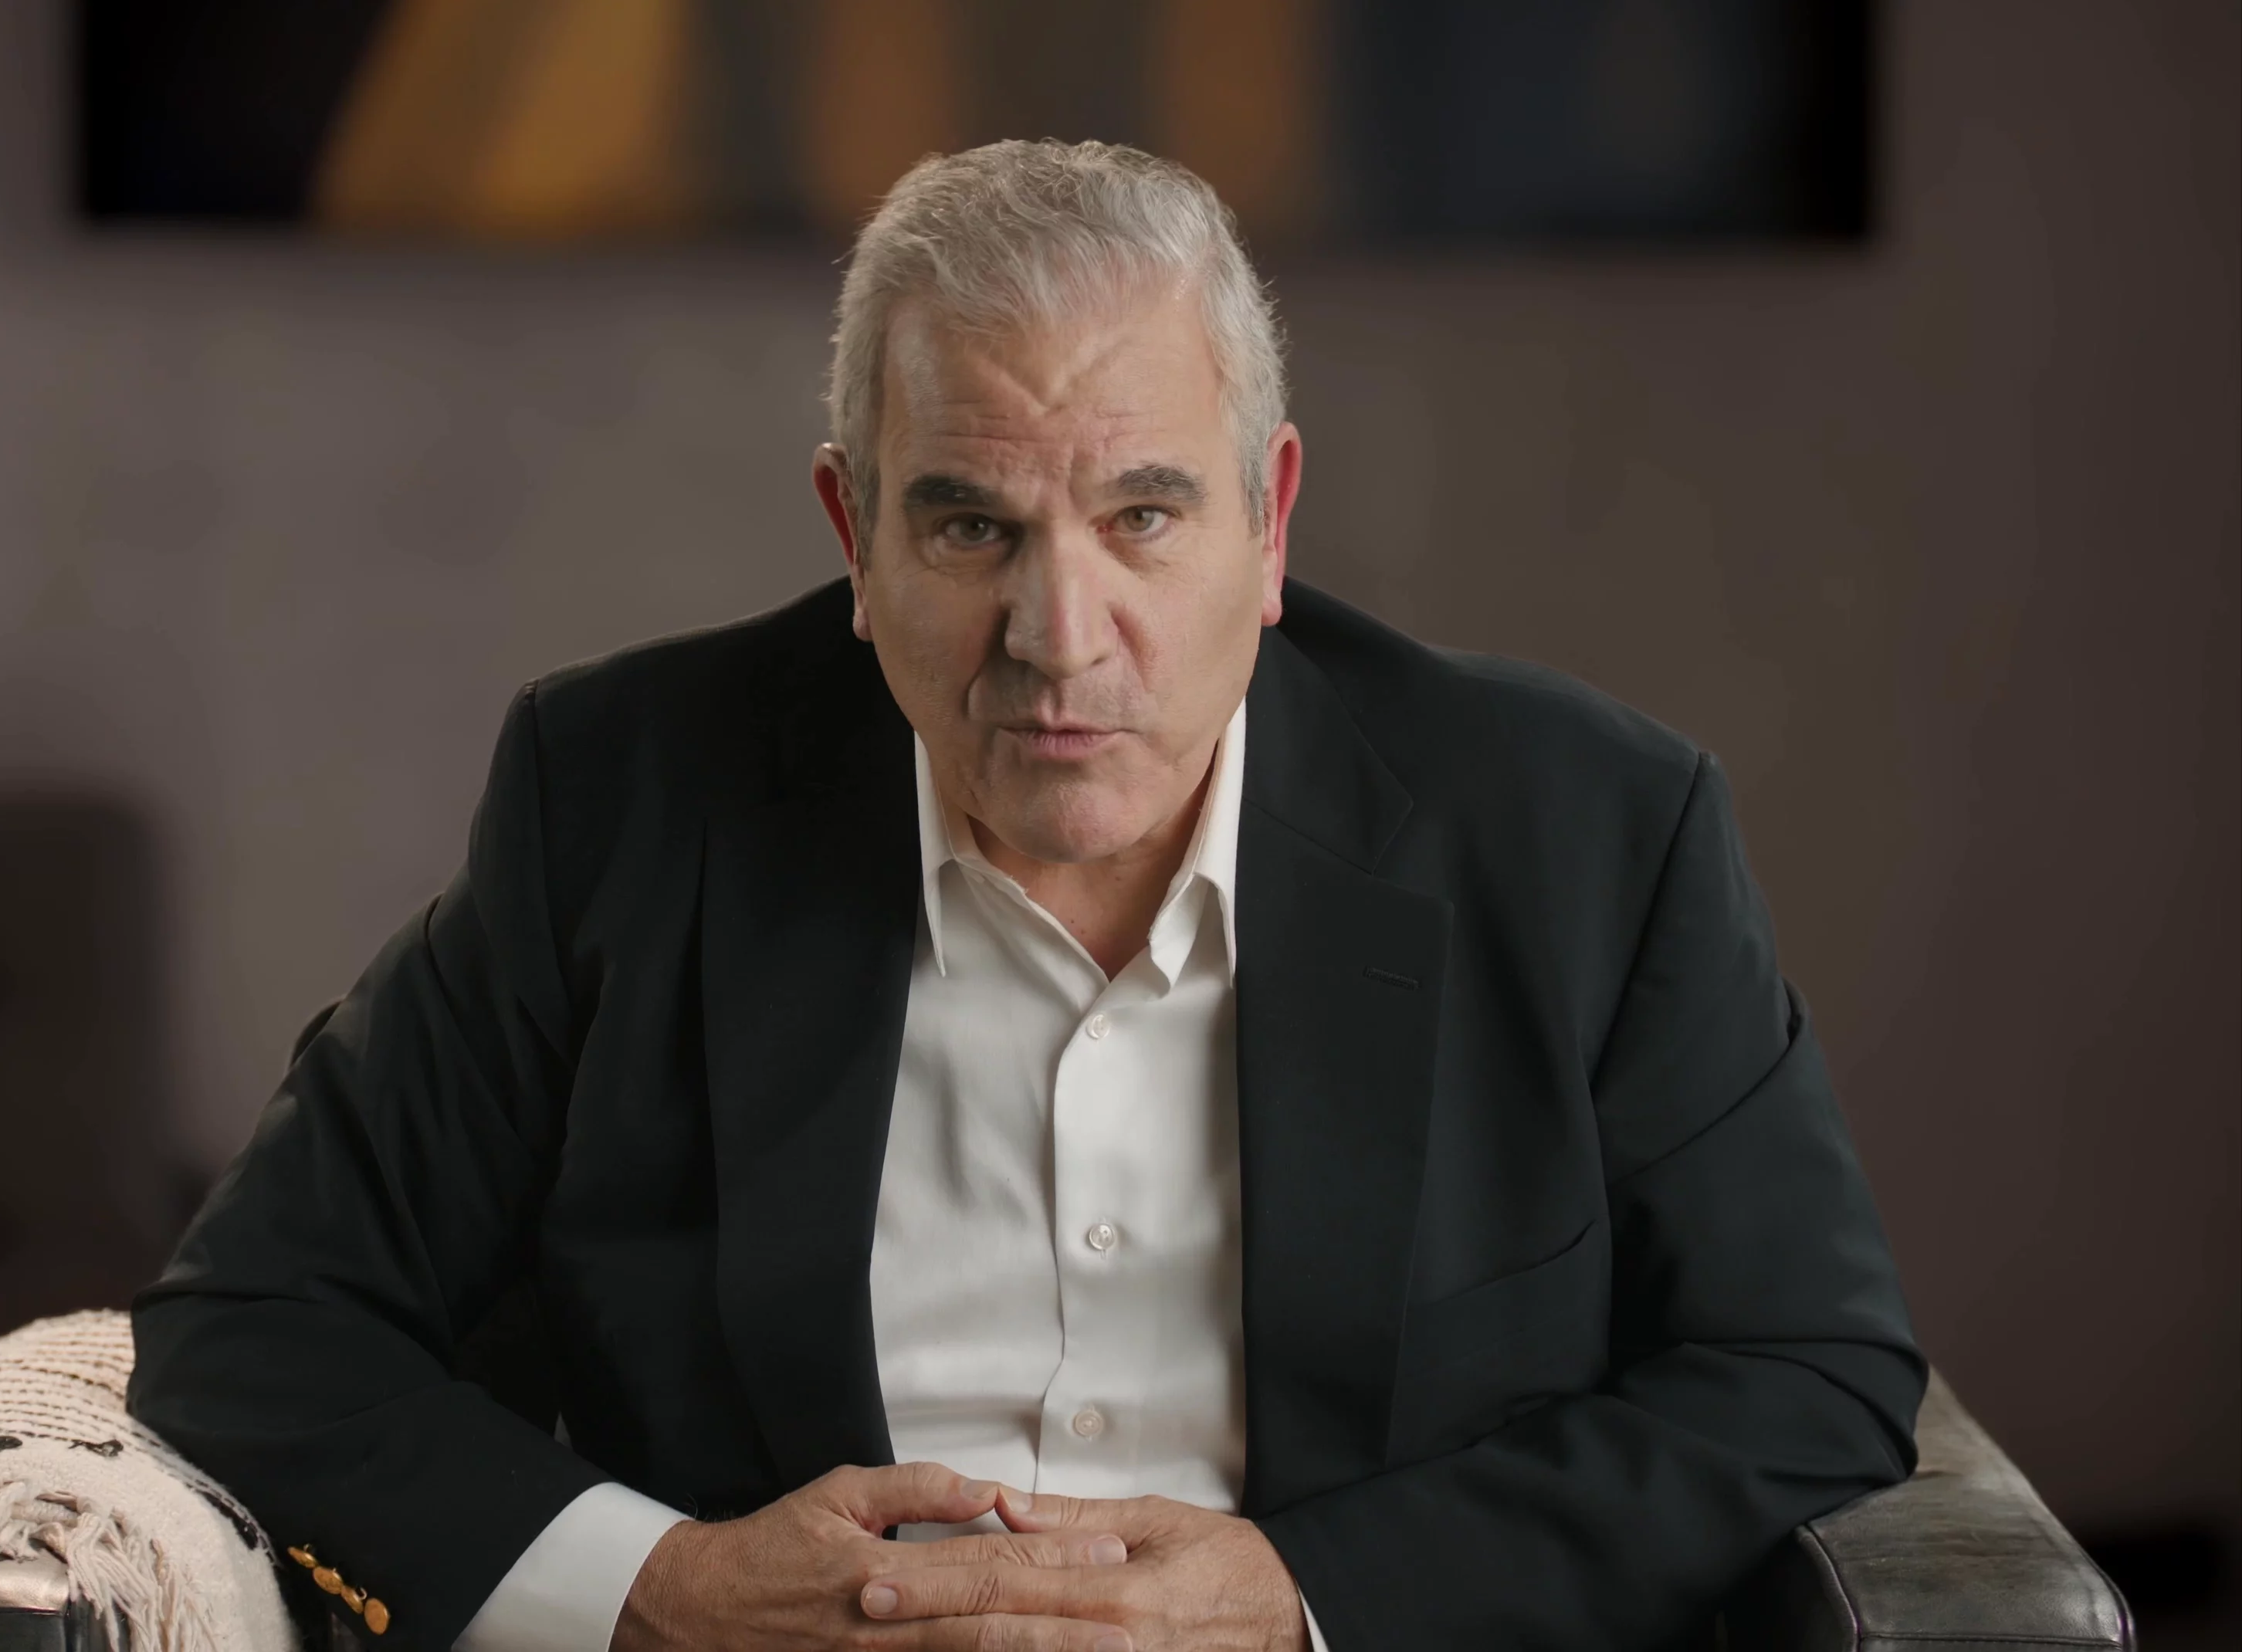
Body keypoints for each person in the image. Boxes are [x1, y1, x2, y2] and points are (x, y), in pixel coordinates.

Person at [130, 140, 1922, 1652]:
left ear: (1270, 521)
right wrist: (668, 1591)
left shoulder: (1586, 835)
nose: (1062, 638)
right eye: (972, 525)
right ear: (855, 535)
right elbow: (255, 1326)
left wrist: (1306, 1597)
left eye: (1144, 517)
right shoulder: (624, 803)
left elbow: (1806, 1368)